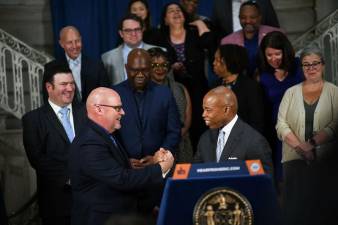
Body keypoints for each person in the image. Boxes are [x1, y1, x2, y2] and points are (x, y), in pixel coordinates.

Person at [69, 87, 174, 225]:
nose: (123, 112)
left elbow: (120, 172)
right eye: (118, 108)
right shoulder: (90, 142)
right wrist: (161, 168)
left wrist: (155, 161)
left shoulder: (103, 135)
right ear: (99, 109)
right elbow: (122, 179)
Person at [113, 48, 181, 213]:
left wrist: (159, 156)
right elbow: (109, 135)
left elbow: (174, 131)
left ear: (150, 68)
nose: (140, 74)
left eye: (144, 69)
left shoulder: (164, 94)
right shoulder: (114, 93)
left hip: (156, 174)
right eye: (135, 70)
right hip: (126, 173)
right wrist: (123, 160)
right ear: (126, 68)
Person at [276, 46, 338, 225]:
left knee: (324, 211)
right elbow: (281, 124)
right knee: (295, 211)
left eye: (315, 63)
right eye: (306, 65)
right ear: (302, 67)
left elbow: (335, 124)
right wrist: (300, 147)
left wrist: (310, 144)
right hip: (294, 161)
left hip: (326, 162)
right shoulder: (290, 93)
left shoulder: (334, 92)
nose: (311, 68)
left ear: (323, 65)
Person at [22, 62, 87, 225]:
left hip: (91, 200)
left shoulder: (86, 112)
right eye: (64, 84)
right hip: (56, 203)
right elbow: (37, 159)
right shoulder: (33, 120)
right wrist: (70, 178)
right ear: (49, 87)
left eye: (72, 83)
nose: (70, 88)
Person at [154, 2, 216, 150]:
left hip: (198, 90)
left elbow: (211, 44)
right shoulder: (158, 38)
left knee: (200, 127)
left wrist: (200, 24)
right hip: (171, 90)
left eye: (179, 10)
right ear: (165, 20)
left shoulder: (194, 33)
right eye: (171, 11)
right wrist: (171, 67)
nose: (176, 13)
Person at [256, 31, 304, 183]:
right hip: (278, 130)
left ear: (285, 51)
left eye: (277, 54)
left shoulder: (299, 66)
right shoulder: (262, 74)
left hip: (302, 125)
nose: (273, 59)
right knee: (282, 174)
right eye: (269, 55)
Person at [194, 86, 272, 175]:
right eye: (204, 109)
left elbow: (263, 184)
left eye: (208, 110)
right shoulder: (205, 139)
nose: (203, 114)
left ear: (226, 109)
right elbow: (196, 174)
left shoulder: (254, 141)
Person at [148, 47, 193, 163]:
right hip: (154, 148)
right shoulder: (144, 91)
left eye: (164, 64)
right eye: (154, 65)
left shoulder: (180, 88)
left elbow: (187, 121)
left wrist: (172, 140)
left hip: (181, 145)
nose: (160, 69)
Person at [43, 26, 110, 103]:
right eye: (69, 42)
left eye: (77, 41)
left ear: (81, 40)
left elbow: (105, 94)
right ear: (61, 44)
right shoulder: (51, 68)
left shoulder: (97, 65)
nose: (74, 46)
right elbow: (48, 98)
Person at [213, 44, 265, 134]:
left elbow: (257, 121)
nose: (214, 63)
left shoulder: (250, 87)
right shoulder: (215, 86)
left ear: (228, 62)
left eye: (217, 60)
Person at [221, 1, 282, 77]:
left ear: (260, 17)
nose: (248, 21)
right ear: (239, 18)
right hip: (242, 85)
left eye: (252, 17)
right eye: (243, 18)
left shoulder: (276, 34)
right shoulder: (227, 41)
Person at [101, 14, 160, 85]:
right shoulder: (108, 58)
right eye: (128, 30)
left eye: (137, 29)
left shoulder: (160, 52)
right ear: (121, 33)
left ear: (142, 30)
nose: (133, 34)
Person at [212, 0, 280, 40]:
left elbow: (274, 30)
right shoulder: (220, 3)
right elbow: (215, 34)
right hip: (230, 57)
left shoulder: (263, 2)